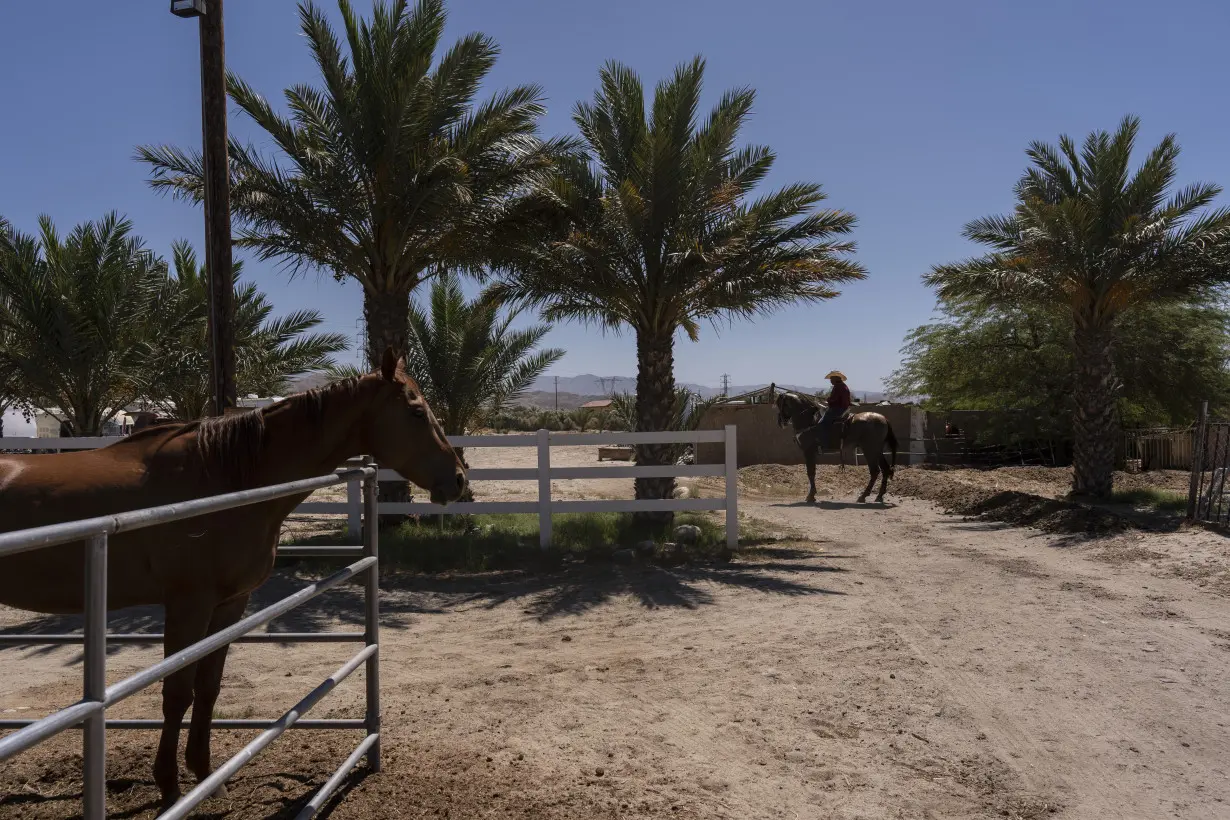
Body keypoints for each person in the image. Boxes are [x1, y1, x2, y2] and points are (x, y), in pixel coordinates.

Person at [816, 370, 851, 450]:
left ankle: (825, 445)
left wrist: (828, 400)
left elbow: (834, 399)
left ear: (836, 378)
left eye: (831, 379)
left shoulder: (837, 386)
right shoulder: (844, 386)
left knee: (821, 424)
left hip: (837, 410)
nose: (830, 381)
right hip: (843, 409)